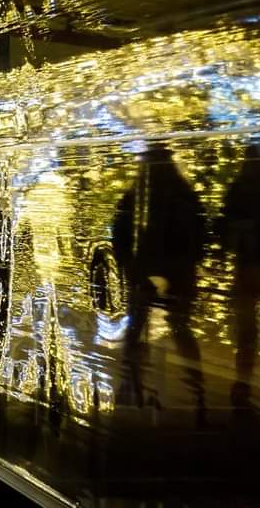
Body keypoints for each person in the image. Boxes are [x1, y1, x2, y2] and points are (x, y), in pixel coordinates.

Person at [112, 144, 206, 416]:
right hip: (177, 273)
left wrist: (128, 264)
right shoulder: (184, 193)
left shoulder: (138, 194)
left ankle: (131, 386)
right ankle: (196, 392)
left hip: (145, 270)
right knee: (180, 329)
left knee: (136, 328)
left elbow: (120, 231)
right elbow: (199, 235)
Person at [218, 143, 260, 411]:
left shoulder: (238, 188)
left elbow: (223, 226)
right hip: (247, 265)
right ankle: (242, 385)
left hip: (245, 266)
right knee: (245, 329)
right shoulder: (240, 189)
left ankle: (242, 384)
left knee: (246, 331)